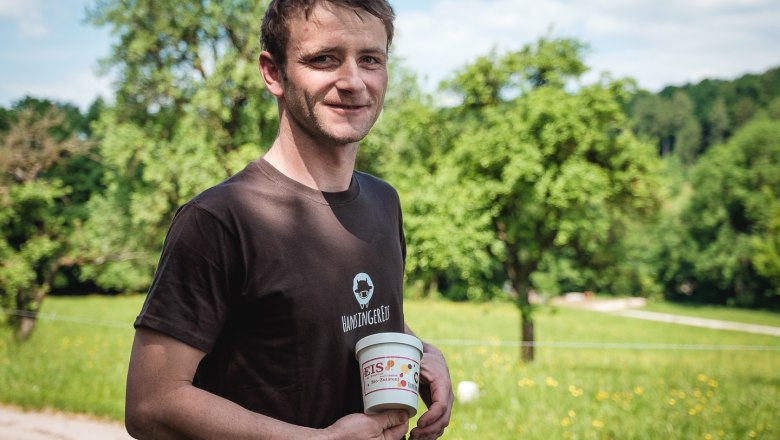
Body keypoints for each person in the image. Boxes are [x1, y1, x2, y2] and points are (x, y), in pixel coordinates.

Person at [124, 0, 454, 439]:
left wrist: (421, 353)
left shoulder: (384, 202)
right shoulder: (218, 220)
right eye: (324, 59)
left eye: (370, 59)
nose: (353, 81)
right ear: (273, 72)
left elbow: (342, 320)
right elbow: (152, 404)